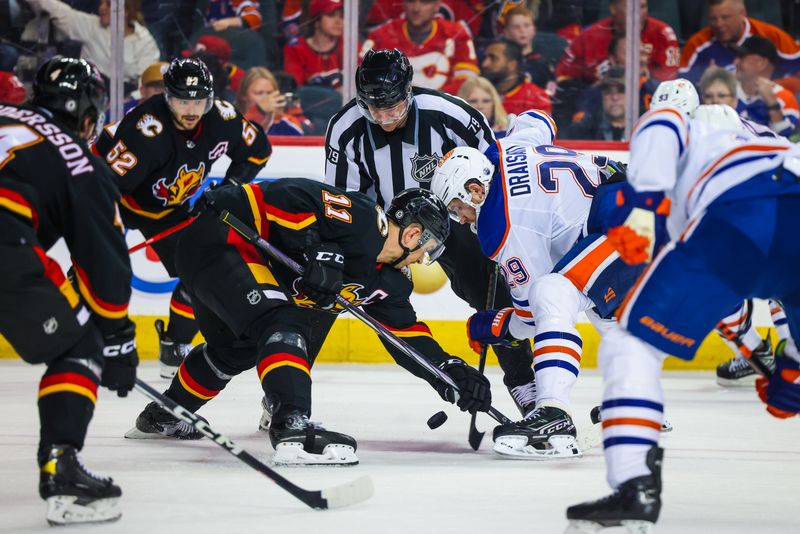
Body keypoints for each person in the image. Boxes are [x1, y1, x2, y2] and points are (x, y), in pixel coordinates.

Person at [126, 181, 492, 466]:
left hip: (224, 265)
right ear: (414, 234)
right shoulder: (363, 219)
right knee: (282, 320)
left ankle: (163, 415)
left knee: (235, 349)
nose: (423, 259)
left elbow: (406, 337)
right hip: (223, 237)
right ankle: (292, 428)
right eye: (427, 249)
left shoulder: (390, 282)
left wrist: (450, 373)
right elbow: (288, 195)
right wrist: (317, 246)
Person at [564, 103, 800, 531]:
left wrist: (642, 204)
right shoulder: (767, 141)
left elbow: (663, 119)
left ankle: (635, 487)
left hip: (741, 207)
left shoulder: (707, 130)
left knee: (630, 342)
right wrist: (787, 374)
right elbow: (725, 305)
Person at [324, 48, 539, 419]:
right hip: (385, 227)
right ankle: (284, 393)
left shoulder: (451, 115)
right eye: (375, 109)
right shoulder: (346, 130)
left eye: (393, 106)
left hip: (453, 219)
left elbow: (494, 174)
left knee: (493, 291)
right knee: (327, 291)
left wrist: (494, 235)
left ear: (409, 91)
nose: (385, 117)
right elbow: (346, 205)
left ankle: (525, 385)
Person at [431, 109, 643, 458]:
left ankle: (553, 413)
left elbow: (532, 316)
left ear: (475, 189)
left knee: (553, 292)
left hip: (629, 225)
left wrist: (490, 325)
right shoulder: (508, 147)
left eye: (458, 208)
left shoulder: (506, 227)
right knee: (594, 298)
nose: (461, 219)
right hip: (640, 204)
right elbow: (538, 119)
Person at [0, 56, 138, 524]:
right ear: (86, 114)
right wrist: (117, 336)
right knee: (80, 345)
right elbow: (103, 265)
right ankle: (62, 473)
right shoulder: (77, 157)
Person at [95, 57, 271, 379]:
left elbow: (257, 149)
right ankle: (85, 341)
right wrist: (95, 247)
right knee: (97, 271)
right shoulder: (145, 131)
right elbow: (103, 189)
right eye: (181, 101)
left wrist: (229, 189)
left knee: (200, 270)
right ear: (167, 97)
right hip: (117, 199)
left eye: (199, 101)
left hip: (168, 210)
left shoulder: (223, 117)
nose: (191, 110)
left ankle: (175, 344)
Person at [25, 0, 159, 89]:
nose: (101, 8)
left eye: (108, 5)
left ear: (125, 11)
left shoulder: (145, 42)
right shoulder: (92, 26)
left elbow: (148, 84)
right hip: (88, 90)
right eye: (101, 3)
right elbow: (59, 11)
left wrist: (126, 102)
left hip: (126, 103)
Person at [362, 0, 479, 92]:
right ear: (403, 4)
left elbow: (467, 81)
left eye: (425, 2)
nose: (416, 8)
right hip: (392, 110)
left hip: (443, 110)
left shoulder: (457, 34)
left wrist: (435, 99)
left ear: (437, 5)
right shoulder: (380, 35)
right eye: (411, 1)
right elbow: (362, 77)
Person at [555, 0, 680, 86]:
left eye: (642, 7)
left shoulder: (663, 34)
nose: (639, 14)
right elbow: (563, 80)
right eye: (632, 8)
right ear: (613, 8)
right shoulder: (588, 37)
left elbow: (670, 82)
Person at [680, 0, 800, 84]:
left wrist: (771, 87)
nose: (719, 24)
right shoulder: (697, 45)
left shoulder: (773, 36)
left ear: (742, 13)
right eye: (713, 19)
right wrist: (706, 83)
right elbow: (680, 86)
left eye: (725, 17)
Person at [734, 36, 799, 137]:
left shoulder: (785, 97)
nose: (735, 62)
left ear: (761, 63)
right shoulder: (725, 90)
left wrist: (771, 101)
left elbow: (786, 140)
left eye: (742, 57)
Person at [283, 0, 345, 90]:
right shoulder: (295, 49)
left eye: (342, 16)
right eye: (331, 15)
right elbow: (295, 89)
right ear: (316, 21)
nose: (339, 21)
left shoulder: (349, 44)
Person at [480, 38, 551, 115]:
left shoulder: (535, 98)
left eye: (493, 58)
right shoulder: (474, 92)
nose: (485, 64)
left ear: (512, 64)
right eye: (485, 58)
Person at [234, 66, 309, 136]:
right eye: (259, 93)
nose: (267, 99)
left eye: (270, 93)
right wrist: (259, 111)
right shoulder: (230, 121)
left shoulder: (288, 125)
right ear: (244, 95)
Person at [565, 68, 627, 141]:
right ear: (602, 95)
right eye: (608, 92)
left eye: (621, 91)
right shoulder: (583, 130)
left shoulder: (643, 129)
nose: (614, 97)